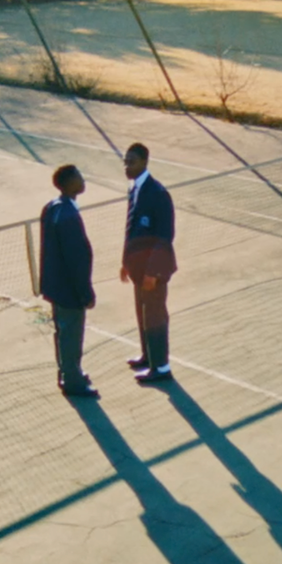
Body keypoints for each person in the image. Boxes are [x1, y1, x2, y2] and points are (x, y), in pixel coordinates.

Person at [39, 164, 98, 399]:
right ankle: (73, 382)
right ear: (70, 184)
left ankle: (67, 373)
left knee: (63, 334)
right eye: (79, 177)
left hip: (56, 287)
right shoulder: (69, 216)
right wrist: (86, 293)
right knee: (72, 336)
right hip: (69, 290)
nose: (83, 180)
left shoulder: (52, 208)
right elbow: (76, 259)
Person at [121, 142, 178, 384]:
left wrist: (153, 272)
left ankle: (161, 367)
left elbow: (165, 237)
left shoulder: (158, 194)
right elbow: (132, 229)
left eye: (132, 162)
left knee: (155, 316)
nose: (127, 166)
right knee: (142, 314)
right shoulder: (135, 189)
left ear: (144, 162)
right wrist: (126, 262)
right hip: (138, 270)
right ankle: (148, 356)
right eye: (125, 161)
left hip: (153, 272)